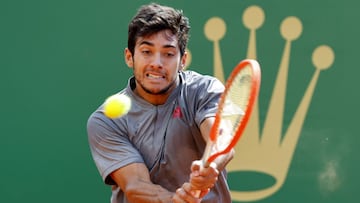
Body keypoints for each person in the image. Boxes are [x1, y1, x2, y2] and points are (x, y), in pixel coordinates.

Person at [87, 3, 234, 203]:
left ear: (183, 60)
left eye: (168, 53)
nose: (157, 62)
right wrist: (177, 200)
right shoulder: (106, 120)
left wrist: (212, 165)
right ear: (129, 57)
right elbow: (136, 186)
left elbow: (219, 136)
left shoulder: (203, 90)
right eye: (147, 51)